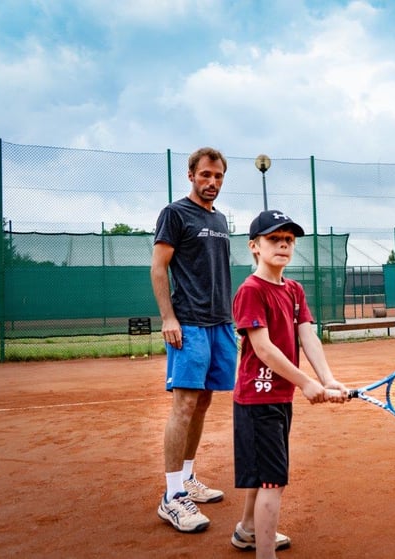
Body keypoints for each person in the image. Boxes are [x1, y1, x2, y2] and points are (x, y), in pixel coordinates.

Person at [231, 210, 347, 557]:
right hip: (258, 400)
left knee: (263, 472)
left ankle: (247, 530)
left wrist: (328, 379)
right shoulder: (251, 290)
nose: (283, 245)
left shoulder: (294, 290)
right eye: (273, 239)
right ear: (254, 246)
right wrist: (306, 383)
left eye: (289, 240)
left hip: (278, 398)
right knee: (273, 481)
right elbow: (263, 349)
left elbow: (307, 337)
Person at [151, 147, 236, 533]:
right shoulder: (174, 213)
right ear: (190, 175)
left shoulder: (220, 219)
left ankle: (186, 479)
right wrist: (169, 317)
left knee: (202, 402)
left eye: (218, 177)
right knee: (184, 405)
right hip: (189, 323)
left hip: (220, 324)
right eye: (205, 175)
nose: (212, 183)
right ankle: (171, 497)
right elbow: (158, 268)